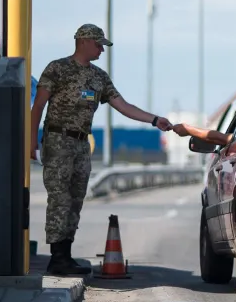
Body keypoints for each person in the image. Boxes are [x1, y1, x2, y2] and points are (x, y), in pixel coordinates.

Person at [30, 23, 172, 276]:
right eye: (98, 45)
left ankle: (67, 254)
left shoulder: (99, 77)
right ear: (83, 42)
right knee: (59, 199)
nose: (101, 50)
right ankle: (57, 257)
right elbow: (38, 106)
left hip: (82, 144)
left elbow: (123, 105)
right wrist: (31, 141)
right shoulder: (57, 68)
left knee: (75, 199)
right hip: (58, 141)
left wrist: (154, 119)